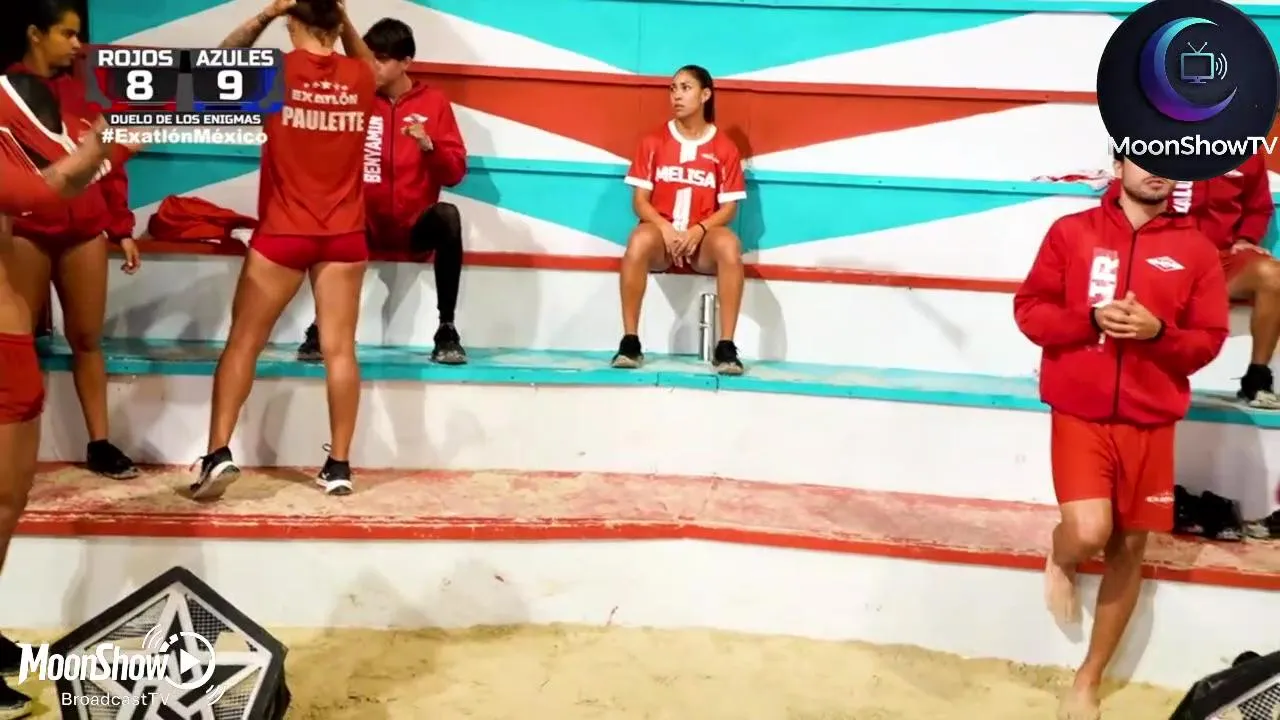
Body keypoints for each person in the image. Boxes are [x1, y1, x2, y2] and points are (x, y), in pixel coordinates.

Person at [1014, 151, 1229, 720]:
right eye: (1144, 155)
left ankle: (1088, 679)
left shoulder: (1197, 249)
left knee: (1128, 549)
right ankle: (1061, 553)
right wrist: (1087, 319)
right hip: (1079, 412)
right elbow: (1029, 311)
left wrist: (1158, 333)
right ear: (1117, 164)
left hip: (1151, 420)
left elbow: (1207, 342)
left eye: (1169, 157)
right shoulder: (1071, 232)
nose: (1158, 168)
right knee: (1088, 532)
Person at [192, 0, 375, 499]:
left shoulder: (274, 70)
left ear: (292, 22)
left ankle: (217, 454)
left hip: (284, 232)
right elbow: (368, 62)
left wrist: (265, 14)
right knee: (340, 350)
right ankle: (339, 466)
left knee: (244, 343)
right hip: (344, 235)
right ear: (337, 23)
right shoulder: (360, 77)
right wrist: (344, 20)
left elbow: (216, 65)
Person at [0, 80, 130, 716]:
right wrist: (100, 149)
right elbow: (38, 193)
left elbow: (50, 183)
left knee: (8, 500)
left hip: (9, 341)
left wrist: (105, 150)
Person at [8, 0, 142, 480]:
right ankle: (16, 445)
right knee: (18, 341)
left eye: (78, 34)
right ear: (35, 34)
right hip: (27, 231)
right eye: (66, 34)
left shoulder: (86, 90)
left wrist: (121, 227)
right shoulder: (8, 90)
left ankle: (100, 444)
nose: (77, 44)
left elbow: (107, 163)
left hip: (84, 230)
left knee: (87, 338)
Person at [297, 17, 468, 365]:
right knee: (330, 208)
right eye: (368, 56)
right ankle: (321, 326)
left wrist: (429, 147)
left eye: (382, 58)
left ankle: (447, 330)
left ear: (406, 62)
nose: (371, 65)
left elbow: (454, 174)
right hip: (365, 224)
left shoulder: (434, 103)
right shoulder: (354, 98)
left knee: (448, 216)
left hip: (413, 227)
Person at [613, 64, 746, 375]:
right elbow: (640, 202)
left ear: (705, 95)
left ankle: (726, 347)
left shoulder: (725, 148)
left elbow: (729, 209)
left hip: (701, 243)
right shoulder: (652, 142)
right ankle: (630, 342)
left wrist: (698, 230)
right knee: (638, 240)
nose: (676, 95)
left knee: (729, 245)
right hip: (662, 240)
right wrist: (665, 228)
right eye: (673, 88)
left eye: (685, 88)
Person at [1170, 149, 1279, 408]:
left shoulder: (1245, 149)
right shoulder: (1155, 143)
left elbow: (1258, 207)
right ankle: (1141, 373)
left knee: (1274, 275)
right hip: (1166, 254)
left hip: (1220, 260)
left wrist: (1246, 238)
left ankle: (1257, 378)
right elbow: (1124, 196)